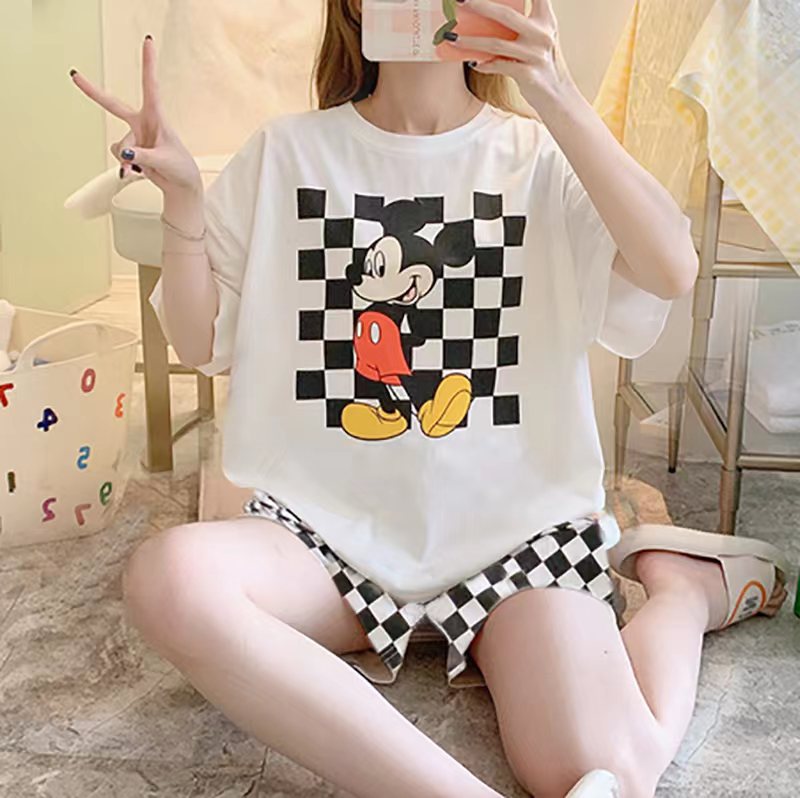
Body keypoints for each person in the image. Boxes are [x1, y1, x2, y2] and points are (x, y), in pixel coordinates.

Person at [70, 1, 789, 796]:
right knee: (169, 578)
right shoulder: (286, 154)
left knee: (599, 766)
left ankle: (685, 590)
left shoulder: (540, 155)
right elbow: (199, 341)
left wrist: (554, 89)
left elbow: (671, 269)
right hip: (321, 542)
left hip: (514, 543)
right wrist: (183, 204)